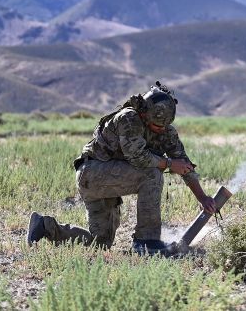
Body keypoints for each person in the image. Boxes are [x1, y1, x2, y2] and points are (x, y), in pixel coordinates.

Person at [26, 82, 216, 256]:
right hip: (92, 174)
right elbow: (138, 157)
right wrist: (168, 164)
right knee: (152, 174)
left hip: (110, 182)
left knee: (100, 244)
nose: (160, 129)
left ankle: (45, 226)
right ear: (144, 113)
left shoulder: (166, 130)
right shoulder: (129, 119)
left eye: (164, 125)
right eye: (156, 125)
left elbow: (183, 163)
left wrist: (203, 198)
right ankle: (146, 242)